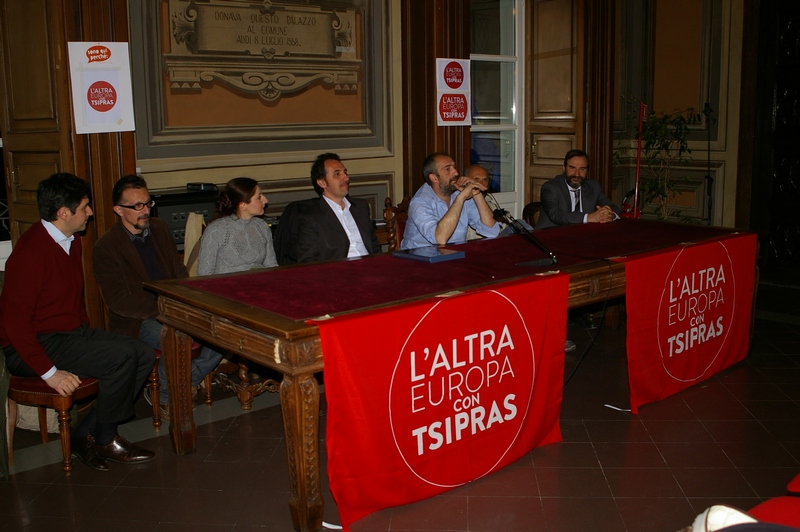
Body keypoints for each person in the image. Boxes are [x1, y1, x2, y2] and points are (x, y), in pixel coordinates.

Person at [0, 173, 156, 471]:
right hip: (29, 346)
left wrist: (86, 333)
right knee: (120, 358)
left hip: (66, 334)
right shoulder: (30, 254)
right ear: (63, 213)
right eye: (85, 207)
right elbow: (14, 325)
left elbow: (71, 300)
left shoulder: (69, 240)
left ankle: (86, 433)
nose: (91, 213)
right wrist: (50, 374)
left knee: (143, 353)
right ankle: (106, 438)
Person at [92, 175, 223, 421]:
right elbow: (120, 301)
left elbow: (178, 272)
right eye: (137, 206)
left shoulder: (159, 228)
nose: (145, 211)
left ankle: (185, 380)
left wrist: (188, 300)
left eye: (147, 203)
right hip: (138, 319)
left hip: (173, 306)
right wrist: (163, 310)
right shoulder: (106, 247)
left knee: (223, 330)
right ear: (118, 210)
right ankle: (166, 396)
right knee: (174, 336)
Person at [401, 152, 500, 250]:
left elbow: (492, 231)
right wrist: (461, 198)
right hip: (419, 260)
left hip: (452, 256)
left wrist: (476, 193)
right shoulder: (420, 202)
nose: (456, 173)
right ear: (434, 178)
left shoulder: (458, 193)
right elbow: (440, 239)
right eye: (448, 169)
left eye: (454, 167)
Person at [294, 152, 381, 263]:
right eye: (337, 174)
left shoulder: (360, 207)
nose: (346, 177)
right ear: (322, 183)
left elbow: (374, 246)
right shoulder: (311, 217)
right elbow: (308, 261)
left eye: (345, 172)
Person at [197, 177, 278, 275]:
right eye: (259, 197)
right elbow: (205, 273)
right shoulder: (217, 230)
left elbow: (271, 266)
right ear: (243, 205)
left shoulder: (262, 226)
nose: (265, 200)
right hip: (225, 287)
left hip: (258, 285)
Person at [534, 149, 620, 230]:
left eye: (582, 169)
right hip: (550, 236)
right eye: (572, 168)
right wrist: (588, 217)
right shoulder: (550, 187)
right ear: (564, 169)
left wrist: (609, 214)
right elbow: (556, 215)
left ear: (587, 171)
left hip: (583, 236)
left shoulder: (593, 186)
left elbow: (613, 207)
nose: (577, 174)